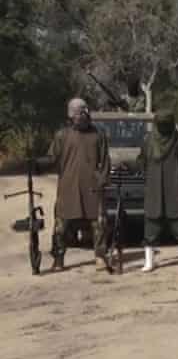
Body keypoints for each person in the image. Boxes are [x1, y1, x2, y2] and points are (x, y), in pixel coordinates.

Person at [47, 98, 111, 272]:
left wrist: (102, 180)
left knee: (99, 223)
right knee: (61, 225)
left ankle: (100, 256)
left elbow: (105, 161)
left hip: (92, 187)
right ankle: (58, 258)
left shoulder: (98, 134)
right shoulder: (62, 135)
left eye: (83, 112)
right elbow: (52, 159)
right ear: (71, 115)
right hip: (68, 187)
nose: (81, 116)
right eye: (77, 113)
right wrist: (39, 164)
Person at [138, 109, 178, 272]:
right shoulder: (148, 141)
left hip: (174, 185)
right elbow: (142, 161)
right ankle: (149, 262)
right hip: (155, 187)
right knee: (151, 225)